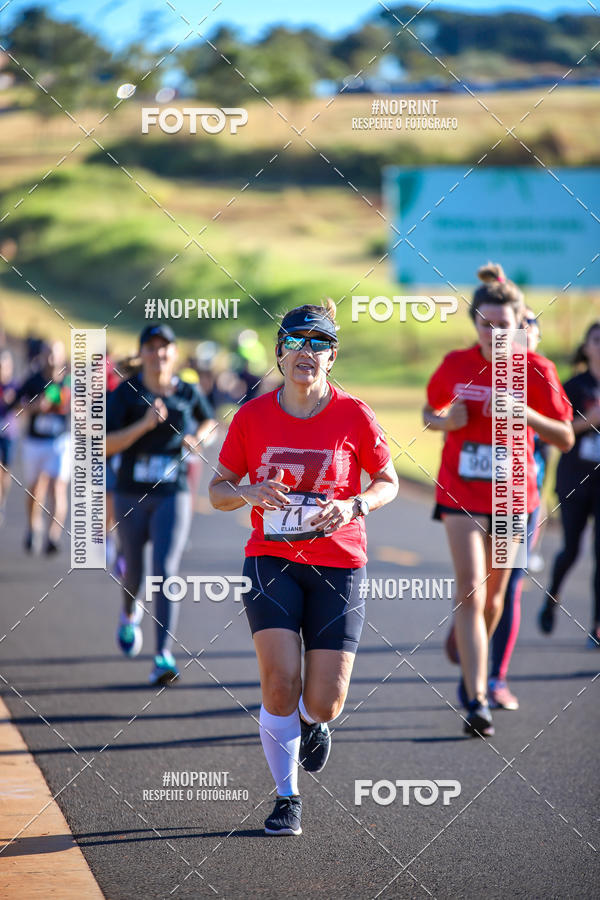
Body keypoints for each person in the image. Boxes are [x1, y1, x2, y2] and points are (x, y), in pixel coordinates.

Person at [209, 300, 398, 836]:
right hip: (271, 559)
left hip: (338, 563)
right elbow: (218, 491)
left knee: (324, 700)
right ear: (279, 352)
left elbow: (389, 482)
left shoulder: (355, 414)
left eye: (318, 344)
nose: (306, 352)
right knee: (279, 682)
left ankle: (313, 724)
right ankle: (286, 797)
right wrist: (247, 489)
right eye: (296, 341)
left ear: (332, 357)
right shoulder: (252, 416)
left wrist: (354, 504)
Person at [424, 263, 573, 737]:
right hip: (461, 492)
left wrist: (525, 413)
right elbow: (430, 411)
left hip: (513, 496)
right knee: (470, 589)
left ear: (520, 323)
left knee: (494, 601)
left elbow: (566, 437)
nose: (494, 334)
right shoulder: (455, 364)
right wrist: (446, 421)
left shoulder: (537, 369)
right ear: (474, 324)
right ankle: (478, 698)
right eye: (485, 325)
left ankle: (477, 665)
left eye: (504, 326)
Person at [106, 324, 216, 685]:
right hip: (131, 492)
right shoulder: (125, 393)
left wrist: (197, 438)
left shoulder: (186, 390)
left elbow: (209, 420)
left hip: (174, 491)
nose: (159, 354)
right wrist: (143, 425)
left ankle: (163, 656)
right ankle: (127, 613)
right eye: (151, 348)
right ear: (143, 353)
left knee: (166, 571)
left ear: (173, 352)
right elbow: (104, 445)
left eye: (165, 347)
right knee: (135, 572)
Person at [488, 308, 546, 709]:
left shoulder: (543, 379)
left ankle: (495, 679)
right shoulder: (484, 372)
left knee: (509, 588)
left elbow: (565, 434)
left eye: (528, 330)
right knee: (479, 587)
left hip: (518, 500)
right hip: (475, 501)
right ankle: (466, 627)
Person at [539, 321, 600, 647]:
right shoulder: (574, 386)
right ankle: (553, 596)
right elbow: (557, 431)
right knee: (572, 549)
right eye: (597, 341)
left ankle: (597, 626)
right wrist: (593, 419)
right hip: (576, 478)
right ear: (586, 347)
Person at [10, 341, 71, 553]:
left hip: (60, 441)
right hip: (35, 442)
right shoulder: (34, 380)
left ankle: (53, 536)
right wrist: (35, 407)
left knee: (58, 487)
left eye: (56, 355)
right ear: (42, 356)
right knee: (36, 490)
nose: (52, 360)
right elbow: (15, 406)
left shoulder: (69, 381)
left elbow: (86, 407)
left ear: (63, 357)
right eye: (48, 355)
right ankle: (33, 527)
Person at [0, 348, 18, 522]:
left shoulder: (14, 386)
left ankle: (2, 501)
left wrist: (14, 401)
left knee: (6, 470)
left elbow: (24, 405)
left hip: (9, 434)